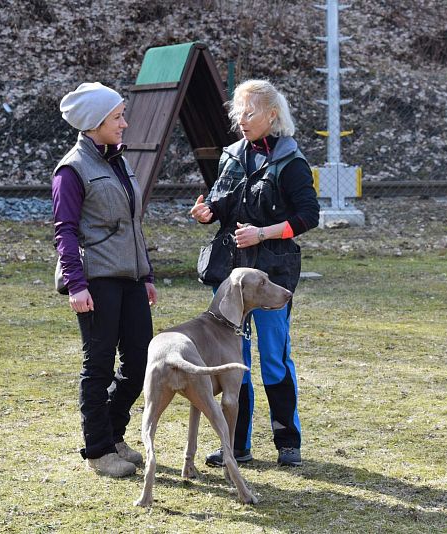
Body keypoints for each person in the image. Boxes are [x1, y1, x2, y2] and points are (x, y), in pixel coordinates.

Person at [190, 79, 319, 467]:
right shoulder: (230, 156)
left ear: (272, 116)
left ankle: (287, 443)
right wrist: (205, 213)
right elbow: (218, 204)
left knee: (275, 360)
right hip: (230, 279)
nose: (241, 121)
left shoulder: (291, 162)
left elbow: (309, 216)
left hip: (273, 276)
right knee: (234, 361)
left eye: (249, 113)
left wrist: (263, 233)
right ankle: (236, 446)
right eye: (238, 114)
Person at [52, 82, 157, 478]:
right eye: (117, 117)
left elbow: (133, 223)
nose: (125, 123)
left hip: (130, 279)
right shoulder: (71, 170)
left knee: (140, 362)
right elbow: (64, 231)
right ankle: (97, 450)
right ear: (95, 122)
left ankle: (114, 435)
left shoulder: (119, 161)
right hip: (95, 279)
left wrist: (145, 273)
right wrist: (76, 284)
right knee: (97, 367)